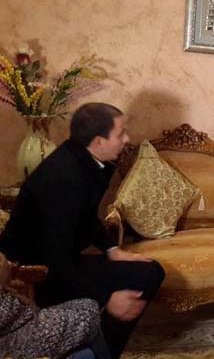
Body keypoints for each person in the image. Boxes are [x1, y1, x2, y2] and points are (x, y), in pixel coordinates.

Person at [0, 103, 165, 358]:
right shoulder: (64, 177)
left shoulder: (85, 158)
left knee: (150, 271)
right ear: (99, 141)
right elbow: (56, 257)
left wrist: (113, 250)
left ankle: (97, 350)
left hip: (62, 258)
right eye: (120, 133)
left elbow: (87, 216)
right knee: (140, 278)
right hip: (36, 271)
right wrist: (107, 298)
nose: (127, 139)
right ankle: (98, 353)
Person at [0, 253, 109, 358]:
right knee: (87, 316)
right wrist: (4, 274)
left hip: (20, 322)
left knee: (86, 305)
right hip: (10, 341)